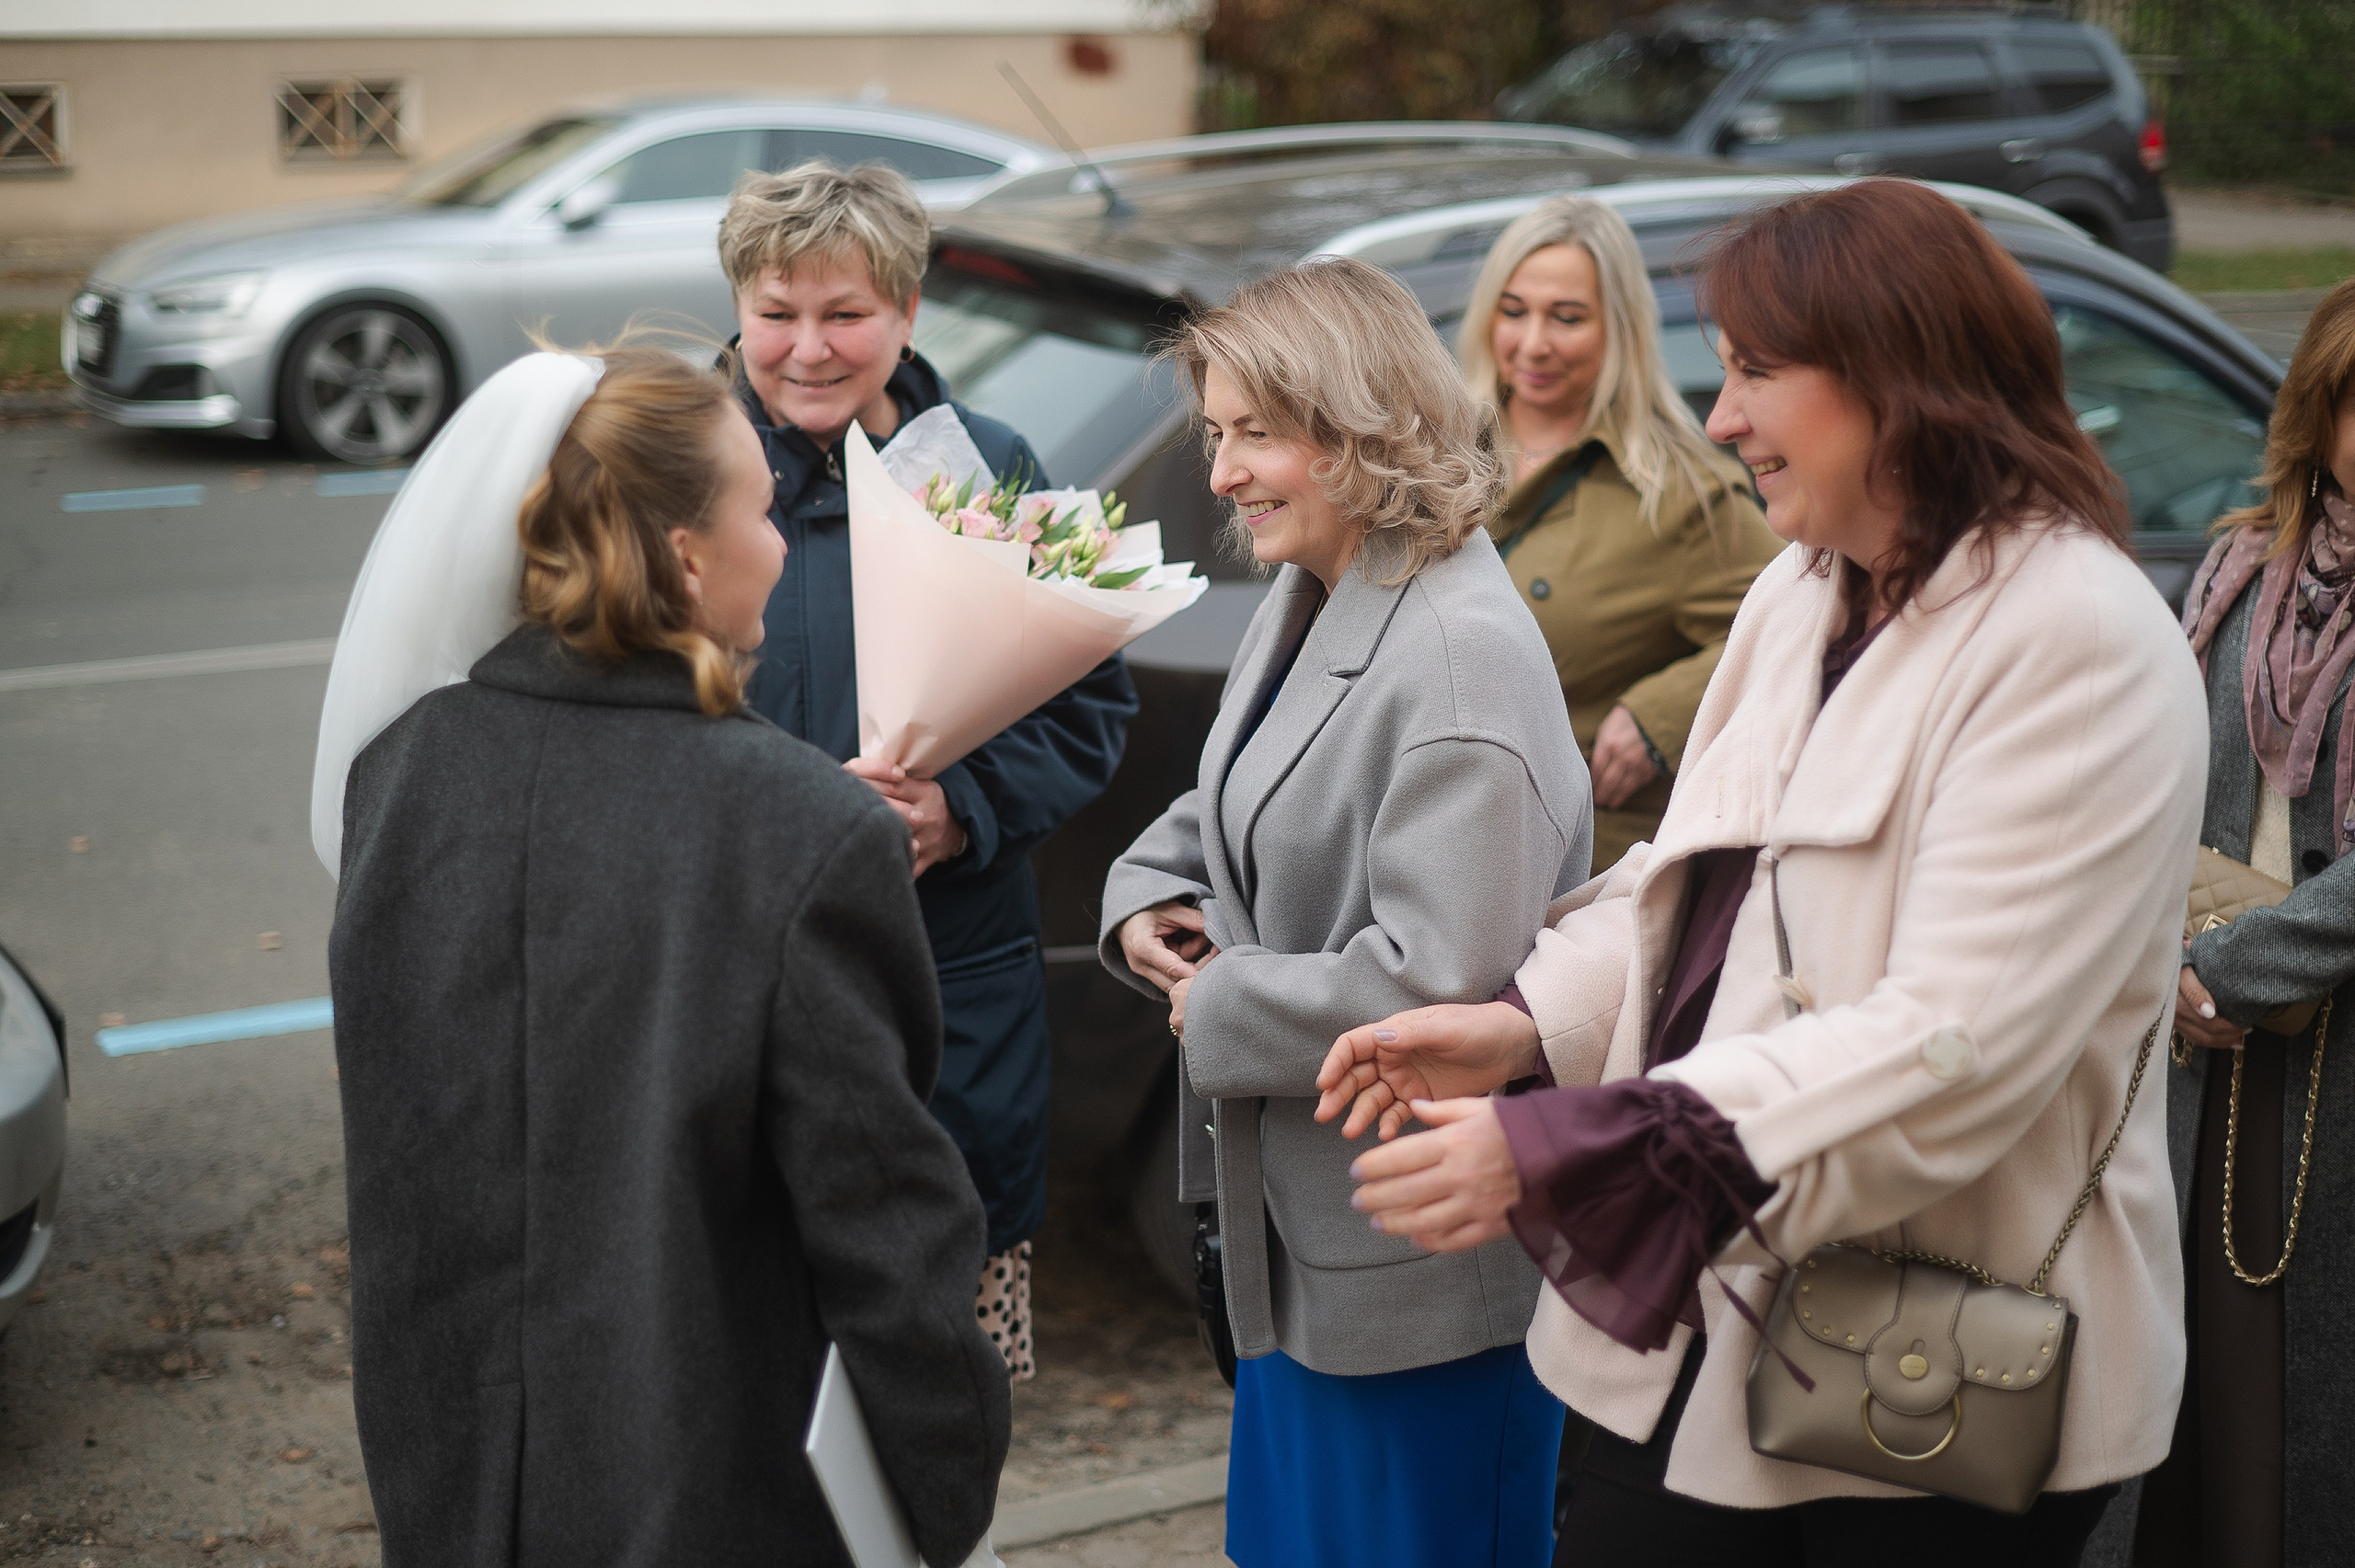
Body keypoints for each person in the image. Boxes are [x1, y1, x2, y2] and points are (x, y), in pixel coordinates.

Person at [1321, 180, 2208, 1565]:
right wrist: (1529, 1023)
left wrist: (1574, 1146)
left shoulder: (2078, 640)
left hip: (1919, 1371)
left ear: (1898, 381)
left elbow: (1952, 1043)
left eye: (1753, 372)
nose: (1720, 415)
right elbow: (1702, 883)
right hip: (1693, 1316)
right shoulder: (1805, 584)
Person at [316, 343, 1010, 1567]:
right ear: (685, 554)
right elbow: (887, 1235)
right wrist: (938, 1499)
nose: (786, 541)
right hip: (714, 1496)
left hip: (451, 1484)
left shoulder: (405, 774)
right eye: (761, 509)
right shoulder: (802, 830)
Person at [1098, 258, 1594, 1568]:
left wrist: (1218, 1002)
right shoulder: (1320, 585)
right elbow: (1226, 805)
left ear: (1362, 425)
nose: (1221, 473)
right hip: (1304, 1261)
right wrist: (1145, 899)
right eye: (1218, 432)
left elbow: (1444, 990)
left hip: (1420, 1282)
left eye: (1256, 433)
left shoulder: (1457, 652)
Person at [718, 160, 1138, 1378]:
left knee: (933, 1389)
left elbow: (1088, 700)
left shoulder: (987, 466)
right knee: (752, 1386)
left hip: (946, 988)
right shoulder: (680, 470)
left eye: (845, 314)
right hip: (740, 979)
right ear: (739, 306)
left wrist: (961, 812)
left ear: (907, 314)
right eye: (776, 313)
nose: (807, 348)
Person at [2126, 276, 2355, 1568]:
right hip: (2196, 1052)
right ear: (2318, 415)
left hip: (2323, 1057)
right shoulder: (2235, 569)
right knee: (2189, 1394)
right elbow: (2143, 787)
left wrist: (2226, 965)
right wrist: (2156, 966)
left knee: (2303, 1411)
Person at [1459, 195, 1782, 873]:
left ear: (1619, 329)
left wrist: (1657, 716)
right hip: (1425, 840)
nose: (1534, 342)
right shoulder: (1435, 450)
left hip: (1570, 873)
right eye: (1514, 311)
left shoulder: (1681, 490)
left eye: (1568, 318)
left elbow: (1793, 620)